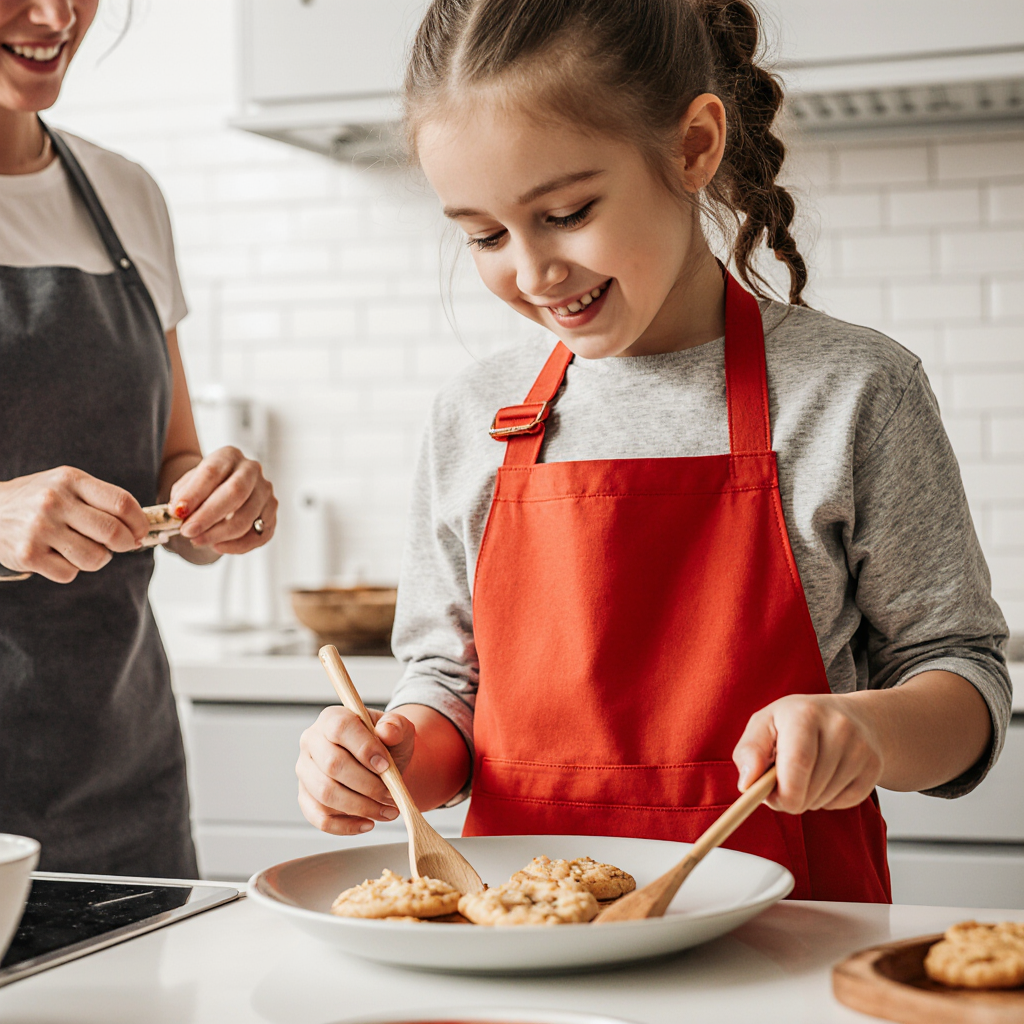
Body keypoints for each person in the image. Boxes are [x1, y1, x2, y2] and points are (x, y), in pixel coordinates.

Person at [296, 0, 1011, 901]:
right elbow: (448, 690)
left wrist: (868, 731)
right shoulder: (474, 416)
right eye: (483, 235)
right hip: (525, 946)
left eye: (567, 210)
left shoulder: (852, 391)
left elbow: (966, 683)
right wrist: (393, 757)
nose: (531, 271)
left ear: (693, 146)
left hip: (788, 940)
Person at [0, 0, 277, 877]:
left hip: (124, 776)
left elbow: (171, 460)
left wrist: (213, 504)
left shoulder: (126, 196)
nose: (54, 15)